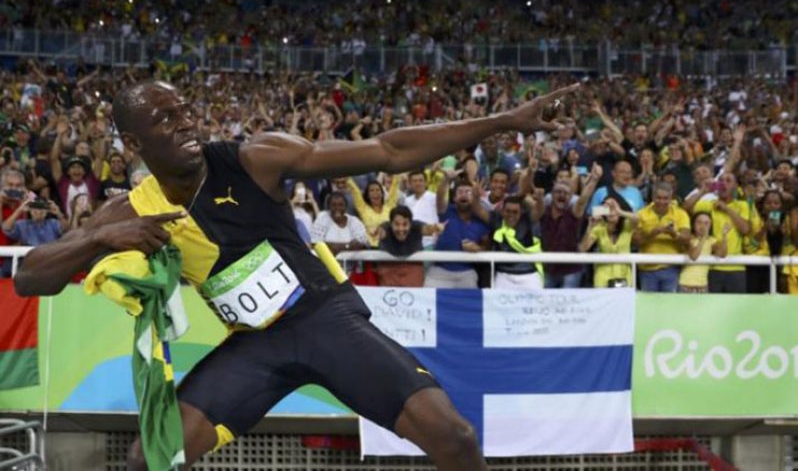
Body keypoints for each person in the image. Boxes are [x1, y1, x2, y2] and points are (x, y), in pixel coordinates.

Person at [14, 79, 578, 470]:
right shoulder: (129, 209)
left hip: (327, 320)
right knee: (151, 456)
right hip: (255, 345)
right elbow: (29, 278)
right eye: (165, 120)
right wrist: (97, 236)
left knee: (454, 437)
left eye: (185, 110)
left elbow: (388, 150)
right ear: (132, 144)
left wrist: (504, 121)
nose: (185, 123)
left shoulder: (256, 157)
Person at [679, 213, 729, 293]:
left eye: (706, 223)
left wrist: (724, 236)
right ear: (693, 224)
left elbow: (722, 254)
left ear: (710, 226)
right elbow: (694, 256)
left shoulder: (711, 240)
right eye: (699, 222)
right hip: (684, 284)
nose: (702, 226)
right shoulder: (688, 239)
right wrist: (704, 237)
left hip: (703, 285)